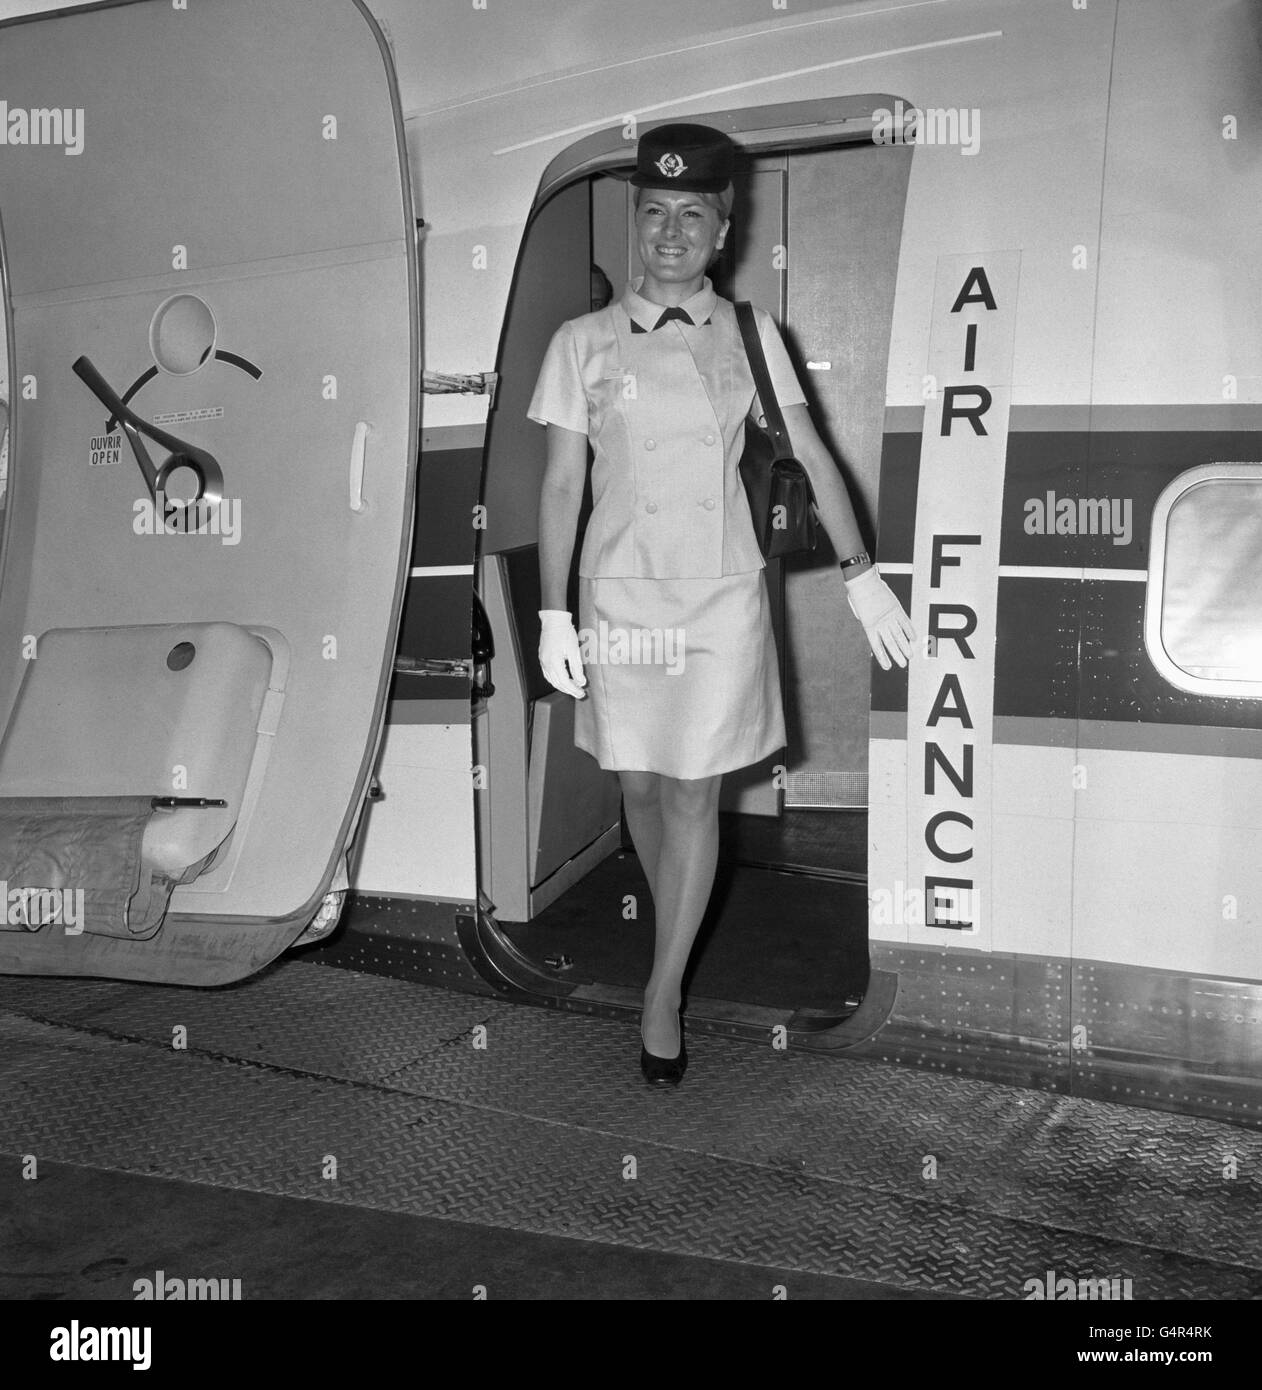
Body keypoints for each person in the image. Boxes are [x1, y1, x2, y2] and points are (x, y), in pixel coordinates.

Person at [528, 123, 914, 1086]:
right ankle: (673, 942)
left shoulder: (752, 335)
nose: (671, 231)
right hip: (620, 598)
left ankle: (662, 995)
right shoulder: (580, 342)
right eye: (654, 212)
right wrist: (549, 613)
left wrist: (861, 571)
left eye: (691, 214)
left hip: (719, 599)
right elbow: (560, 488)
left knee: (695, 791)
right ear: (636, 222)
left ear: (723, 228)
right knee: (641, 791)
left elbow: (813, 451)